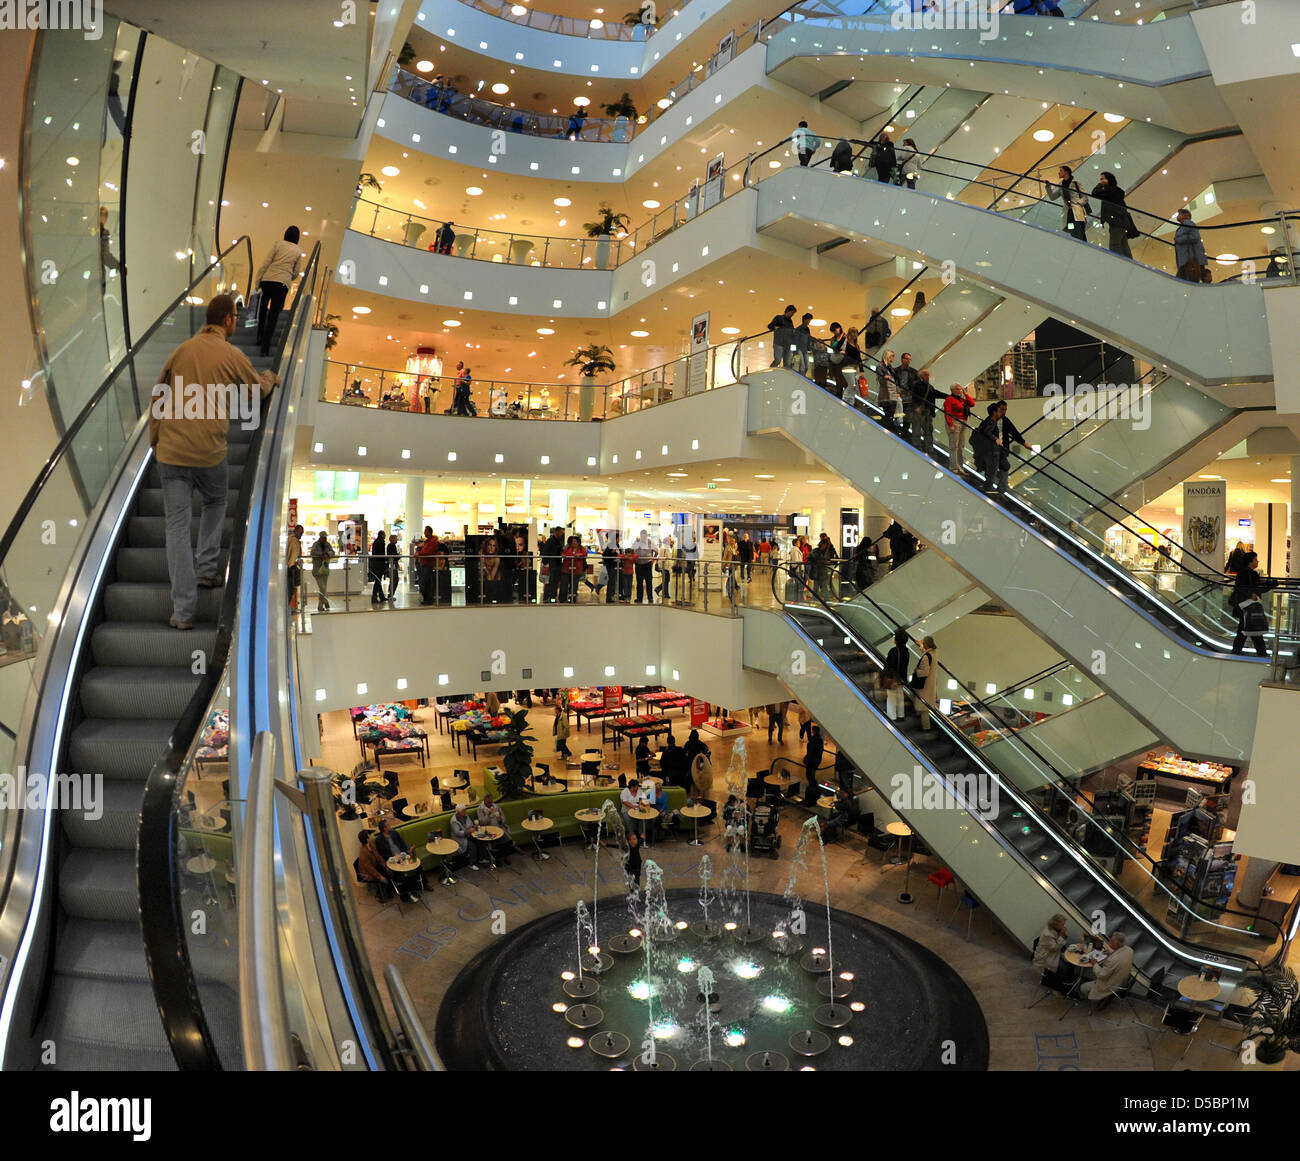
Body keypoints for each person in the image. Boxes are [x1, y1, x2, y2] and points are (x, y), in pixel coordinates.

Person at [150, 295, 278, 630]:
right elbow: (255, 391)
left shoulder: (182, 350)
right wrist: (268, 378)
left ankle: (183, 612)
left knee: (176, 527)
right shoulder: (230, 354)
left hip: (171, 451)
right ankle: (207, 571)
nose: (236, 321)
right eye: (236, 316)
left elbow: (158, 394)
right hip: (207, 452)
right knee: (215, 500)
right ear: (227, 320)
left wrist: (155, 439)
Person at [253, 226, 305, 357]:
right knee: (274, 315)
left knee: (263, 311)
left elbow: (266, 263)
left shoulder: (278, 244)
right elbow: (296, 272)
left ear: (285, 234)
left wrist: (257, 281)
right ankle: (265, 348)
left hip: (267, 280)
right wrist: (288, 277)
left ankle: (259, 337)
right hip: (282, 284)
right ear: (297, 237)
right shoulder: (298, 251)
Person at [976, 400, 1029, 494]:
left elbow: (1014, 432)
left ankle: (1000, 489)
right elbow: (984, 433)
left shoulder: (1005, 420)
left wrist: (1024, 443)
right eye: (1001, 410)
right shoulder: (990, 420)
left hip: (1001, 450)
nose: (1004, 412)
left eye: (1005, 410)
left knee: (1002, 467)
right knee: (996, 467)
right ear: (996, 410)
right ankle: (993, 487)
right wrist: (995, 439)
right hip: (992, 450)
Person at [1230, 551, 1275, 655]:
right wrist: (1251, 594)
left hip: (1244, 606)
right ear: (1250, 561)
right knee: (1250, 628)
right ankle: (1260, 652)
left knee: (1246, 628)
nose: (1257, 561)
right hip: (1247, 606)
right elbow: (1249, 588)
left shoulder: (1244, 573)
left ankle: (1238, 650)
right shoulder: (1249, 573)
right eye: (1255, 559)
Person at [1080, 932, 1134, 1004]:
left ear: (1115, 944)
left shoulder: (1112, 961)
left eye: (1111, 941)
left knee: (1082, 987)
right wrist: (1111, 953)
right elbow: (1119, 958)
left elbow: (1101, 975)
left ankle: (1083, 998)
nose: (1109, 942)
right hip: (1121, 982)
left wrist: (1094, 964)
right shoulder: (1129, 950)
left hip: (1110, 986)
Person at [1092, 171, 1134, 258]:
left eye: (1102, 179)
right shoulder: (1115, 190)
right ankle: (1129, 263)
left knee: (1114, 245)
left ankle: (1119, 263)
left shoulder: (1110, 190)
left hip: (1117, 222)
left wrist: (1099, 185)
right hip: (1122, 221)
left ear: (1109, 180)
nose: (1101, 181)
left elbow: (1094, 193)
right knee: (1124, 245)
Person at [1046, 164, 1090, 243]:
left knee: (1080, 233)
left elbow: (1085, 198)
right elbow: (1052, 197)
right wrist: (1048, 187)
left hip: (1077, 212)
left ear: (1066, 172)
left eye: (1061, 171)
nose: (1059, 173)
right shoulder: (1061, 186)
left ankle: (1085, 249)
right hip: (1068, 214)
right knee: (1073, 234)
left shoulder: (1076, 183)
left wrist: (1077, 203)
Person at [944, 383, 977, 473]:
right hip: (955, 422)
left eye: (960, 389)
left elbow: (972, 403)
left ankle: (960, 467)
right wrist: (950, 424)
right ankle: (953, 466)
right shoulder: (949, 399)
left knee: (961, 445)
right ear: (952, 390)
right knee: (954, 446)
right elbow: (947, 412)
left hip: (964, 422)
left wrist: (965, 393)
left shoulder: (962, 400)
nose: (960, 391)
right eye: (957, 389)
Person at [908, 367, 939, 457]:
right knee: (917, 430)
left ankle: (929, 448)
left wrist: (948, 396)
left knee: (928, 430)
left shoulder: (929, 386)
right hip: (919, 411)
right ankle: (917, 447)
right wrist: (916, 407)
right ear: (921, 376)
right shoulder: (916, 385)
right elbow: (913, 396)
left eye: (928, 375)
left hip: (927, 411)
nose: (928, 377)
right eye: (926, 375)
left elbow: (936, 393)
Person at [911, 634, 939, 731]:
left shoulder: (927, 657)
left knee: (923, 708)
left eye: (923, 643)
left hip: (924, 686)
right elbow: (926, 652)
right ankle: (920, 720)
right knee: (924, 706)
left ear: (926, 644)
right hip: (930, 686)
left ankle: (926, 728)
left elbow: (924, 672)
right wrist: (920, 645)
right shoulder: (934, 653)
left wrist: (916, 670)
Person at [883, 630, 911, 722]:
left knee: (891, 697)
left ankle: (892, 717)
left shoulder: (894, 651)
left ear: (896, 640)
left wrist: (885, 675)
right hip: (902, 678)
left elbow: (889, 665)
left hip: (893, 678)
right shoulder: (906, 651)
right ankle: (900, 715)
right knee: (900, 697)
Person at [1174, 208, 1209, 282]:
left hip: (1189, 259)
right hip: (1186, 260)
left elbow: (1194, 237)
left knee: (1186, 279)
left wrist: (1178, 239)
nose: (1178, 216)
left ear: (1186, 215)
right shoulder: (1183, 226)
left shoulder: (1188, 223)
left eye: (1180, 214)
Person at [356, 832, 394, 900]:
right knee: (383, 878)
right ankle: (380, 895)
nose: (370, 836)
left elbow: (378, 856)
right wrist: (380, 876)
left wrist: (385, 866)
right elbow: (369, 868)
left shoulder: (371, 845)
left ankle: (389, 891)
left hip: (375, 866)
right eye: (369, 836)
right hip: (367, 873)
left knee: (388, 871)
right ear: (367, 839)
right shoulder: (363, 852)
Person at [450, 804, 484, 870]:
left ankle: (481, 858)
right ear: (459, 812)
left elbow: (470, 824)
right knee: (472, 846)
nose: (466, 811)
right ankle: (471, 863)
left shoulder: (466, 816)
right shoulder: (454, 821)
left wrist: (473, 827)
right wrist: (467, 832)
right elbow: (457, 833)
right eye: (464, 810)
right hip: (460, 839)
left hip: (469, 834)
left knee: (480, 840)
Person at [894, 352, 918, 444]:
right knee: (898, 412)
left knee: (907, 414)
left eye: (910, 359)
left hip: (909, 396)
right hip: (898, 395)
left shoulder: (913, 372)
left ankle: (904, 432)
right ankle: (897, 428)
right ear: (902, 359)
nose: (908, 361)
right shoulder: (896, 370)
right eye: (907, 359)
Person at [875, 349, 900, 430]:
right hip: (886, 394)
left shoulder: (890, 367)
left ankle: (889, 428)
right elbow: (880, 377)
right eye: (892, 356)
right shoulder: (881, 366)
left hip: (892, 393)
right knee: (889, 414)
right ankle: (887, 428)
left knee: (891, 414)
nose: (893, 358)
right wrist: (884, 377)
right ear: (888, 356)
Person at [309, 530, 334, 611]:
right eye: (323, 537)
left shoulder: (328, 545)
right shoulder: (315, 545)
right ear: (320, 537)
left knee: (323, 588)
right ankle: (326, 601)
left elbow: (333, 552)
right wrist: (321, 554)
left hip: (325, 570)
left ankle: (320, 606)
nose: (325, 539)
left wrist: (327, 554)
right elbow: (312, 552)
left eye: (325, 537)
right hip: (317, 570)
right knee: (322, 587)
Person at [540, 525, 565, 603]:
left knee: (555, 581)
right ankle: (547, 597)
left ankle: (553, 596)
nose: (562, 534)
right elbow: (545, 552)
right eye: (561, 532)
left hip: (557, 564)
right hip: (551, 564)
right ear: (557, 532)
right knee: (550, 581)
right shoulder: (550, 541)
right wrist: (545, 563)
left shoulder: (559, 540)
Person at [767, 304, 797, 369]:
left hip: (788, 344)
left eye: (793, 313)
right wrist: (775, 327)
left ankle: (785, 376)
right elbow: (770, 326)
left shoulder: (790, 321)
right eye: (792, 312)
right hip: (779, 343)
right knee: (778, 360)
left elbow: (792, 332)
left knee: (787, 362)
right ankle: (771, 371)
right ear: (788, 311)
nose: (792, 315)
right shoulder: (778, 317)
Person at [802, 722, 824, 800]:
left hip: (812, 761)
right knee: (812, 775)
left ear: (813, 731)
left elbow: (810, 752)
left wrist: (806, 760)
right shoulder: (820, 739)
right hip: (816, 760)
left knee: (810, 775)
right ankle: (814, 789)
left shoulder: (813, 740)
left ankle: (813, 790)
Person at [285, 523, 304, 611]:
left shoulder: (292, 540)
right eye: (300, 532)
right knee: (290, 589)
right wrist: (293, 564)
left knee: (291, 589)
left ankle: (289, 607)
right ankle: (288, 607)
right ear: (296, 531)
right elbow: (293, 555)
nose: (301, 535)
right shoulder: (293, 541)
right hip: (291, 567)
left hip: (291, 566)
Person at [634, 530, 655, 603]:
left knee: (648, 582)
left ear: (646, 535)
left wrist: (653, 561)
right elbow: (632, 551)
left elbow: (656, 551)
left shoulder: (650, 542)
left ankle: (650, 598)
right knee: (639, 582)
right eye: (641, 535)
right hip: (638, 564)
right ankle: (639, 598)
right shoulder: (637, 542)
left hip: (647, 564)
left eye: (644, 535)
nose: (642, 537)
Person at [369, 530, 388, 603]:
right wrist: (384, 561)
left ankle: (381, 596)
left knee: (378, 581)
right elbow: (381, 554)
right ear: (382, 535)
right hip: (379, 564)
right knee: (378, 581)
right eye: (384, 534)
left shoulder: (375, 542)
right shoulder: (381, 542)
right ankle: (374, 597)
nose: (385, 536)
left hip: (375, 563)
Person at [603, 533, 621, 604]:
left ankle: (612, 596)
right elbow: (605, 555)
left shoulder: (617, 545)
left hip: (616, 566)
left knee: (614, 581)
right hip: (611, 566)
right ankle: (609, 597)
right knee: (612, 581)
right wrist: (612, 553)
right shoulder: (610, 545)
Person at [386, 532, 402, 602]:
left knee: (394, 579)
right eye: (395, 539)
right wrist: (398, 555)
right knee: (394, 579)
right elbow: (394, 556)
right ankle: (390, 595)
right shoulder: (391, 546)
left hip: (392, 564)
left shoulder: (390, 546)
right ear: (392, 539)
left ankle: (391, 594)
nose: (397, 540)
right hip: (393, 565)